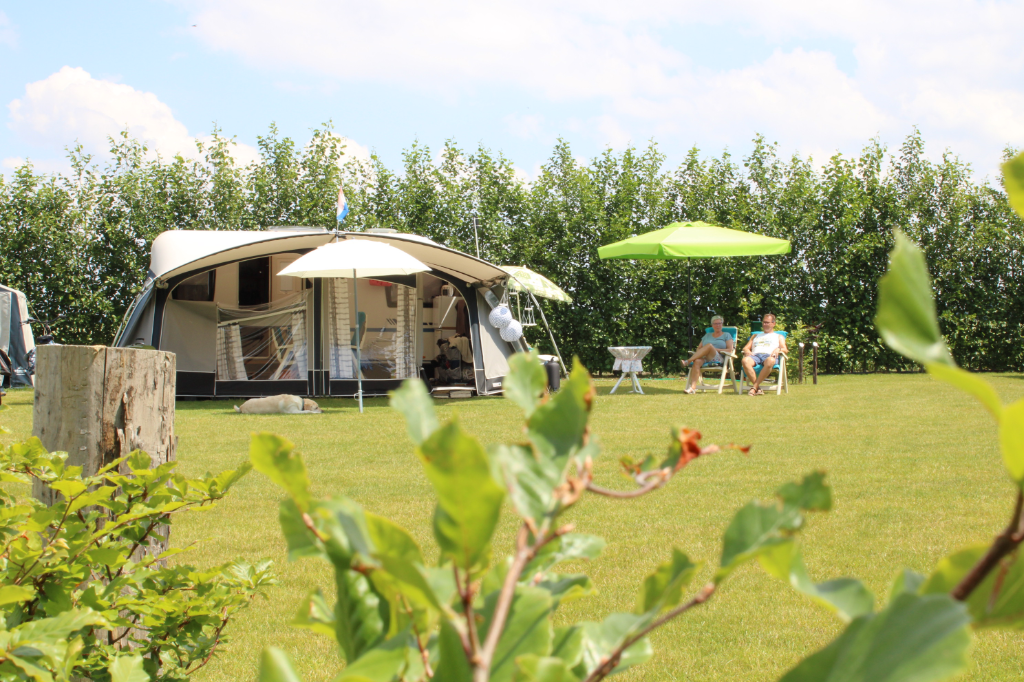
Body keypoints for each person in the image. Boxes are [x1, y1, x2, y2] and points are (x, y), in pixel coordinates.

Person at [681, 315, 734, 395]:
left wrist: (714, 349)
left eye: (719, 323)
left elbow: (730, 350)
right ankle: (692, 388)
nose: (718, 325)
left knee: (709, 346)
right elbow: (699, 348)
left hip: (719, 358)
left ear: (722, 324)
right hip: (706, 358)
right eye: (715, 324)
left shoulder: (726, 335)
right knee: (697, 361)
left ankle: (688, 361)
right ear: (712, 325)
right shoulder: (707, 335)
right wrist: (703, 352)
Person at [741, 313, 788, 396]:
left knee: (771, 361)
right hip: (755, 356)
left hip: (769, 356)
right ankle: (757, 388)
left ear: (773, 323)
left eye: (767, 322)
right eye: (764, 322)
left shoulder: (778, 336)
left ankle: (754, 387)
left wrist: (778, 349)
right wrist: (746, 350)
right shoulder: (755, 336)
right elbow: (745, 347)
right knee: (745, 360)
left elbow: (785, 349)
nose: (765, 324)